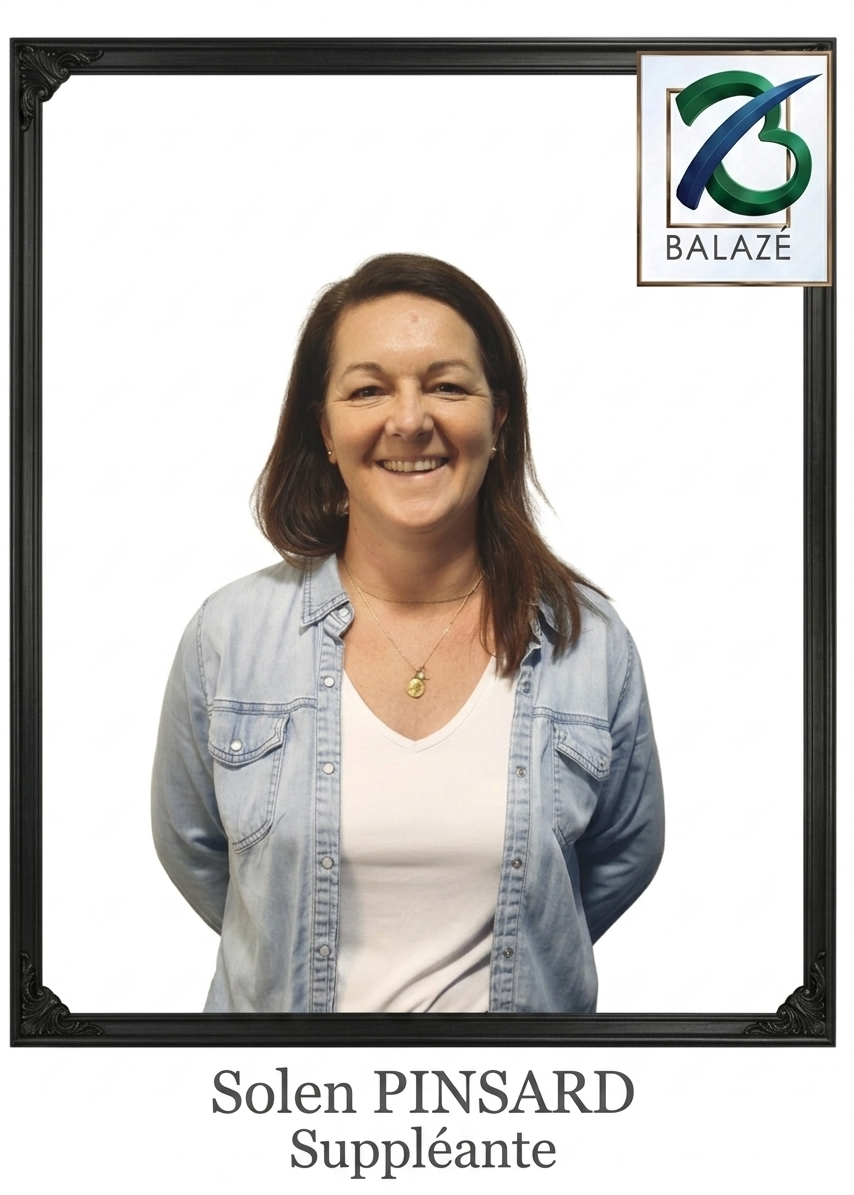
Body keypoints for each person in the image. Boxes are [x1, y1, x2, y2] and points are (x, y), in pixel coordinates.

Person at [151, 253, 664, 1014]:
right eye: (368, 390)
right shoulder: (229, 636)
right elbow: (194, 851)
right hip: (283, 1082)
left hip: (512, 1089)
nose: (410, 419)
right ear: (325, 430)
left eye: (447, 385)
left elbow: (622, 856)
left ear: (498, 417)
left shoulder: (588, 641)